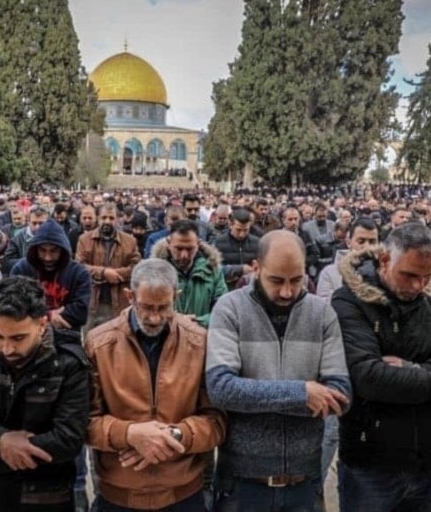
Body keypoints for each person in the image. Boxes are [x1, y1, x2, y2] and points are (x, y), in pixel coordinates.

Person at [331, 223, 431, 512]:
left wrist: (411, 368)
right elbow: (369, 377)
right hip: (371, 462)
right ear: (385, 260)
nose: (417, 286)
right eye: (409, 275)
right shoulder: (350, 299)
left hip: (429, 458)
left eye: (427, 276)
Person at [206, 230, 351, 511]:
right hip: (242, 482)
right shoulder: (229, 309)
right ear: (256, 267)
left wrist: (256, 395)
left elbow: (341, 396)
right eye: (276, 280)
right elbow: (221, 389)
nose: (286, 291)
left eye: (296, 280)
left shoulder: (322, 314)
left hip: (305, 481)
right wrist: (303, 393)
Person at [86, 259, 226, 511]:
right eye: (146, 307)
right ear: (129, 296)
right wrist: (131, 435)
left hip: (183, 493)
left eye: (164, 307)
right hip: (118, 494)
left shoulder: (199, 343)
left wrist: (172, 436)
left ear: (177, 296)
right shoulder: (99, 344)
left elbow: (217, 421)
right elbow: (83, 423)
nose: (154, 317)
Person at [0, 276, 90, 512]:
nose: (6, 348)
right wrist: (0, 441)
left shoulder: (68, 364)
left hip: (45, 497)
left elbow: (68, 439)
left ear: (42, 323)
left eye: (18, 338)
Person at [11, 219, 92, 332]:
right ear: (35, 249)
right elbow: (14, 305)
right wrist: (48, 315)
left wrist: (34, 314)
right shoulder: (21, 269)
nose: (47, 257)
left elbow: (81, 312)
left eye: (54, 251)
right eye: (42, 251)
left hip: (66, 335)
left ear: (63, 250)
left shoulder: (79, 272)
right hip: (28, 334)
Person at [151, 219, 227, 327]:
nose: (184, 255)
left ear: (198, 244)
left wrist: (197, 321)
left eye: (190, 249)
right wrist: (173, 320)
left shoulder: (213, 271)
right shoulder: (154, 272)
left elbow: (224, 311)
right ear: (169, 243)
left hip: (203, 338)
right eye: (179, 248)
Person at [76, 204, 141, 329]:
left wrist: (116, 274)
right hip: (92, 301)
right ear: (98, 218)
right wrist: (103, 272)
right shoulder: (84, 240)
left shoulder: (130, 241)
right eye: (104, 217)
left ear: (117, 219)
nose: (107, 221)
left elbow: (137, 267)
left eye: (111, 218)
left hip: (119, 302)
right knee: (89, 340)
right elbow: (79, 266)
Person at [315, 218, 379, 301]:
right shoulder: (329, 274)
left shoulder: (385, 273)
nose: (367, 247)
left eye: (372, 242)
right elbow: (326, 308)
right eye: (361, 241)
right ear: (349, 243)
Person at [213, 208, 260, 291]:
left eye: (246, 230)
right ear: (231, 225)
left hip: (250, 289)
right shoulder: (219, 242)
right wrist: (238, 269)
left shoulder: (257, 242)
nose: (242, 234)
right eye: (238, 230)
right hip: (226, 289)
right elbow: (213, 268)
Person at [2, 207, 49, 274]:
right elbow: (7, 263)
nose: (37, 227)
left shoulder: (56, 238)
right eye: (34, 223)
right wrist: (28, 261)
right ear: (28, 222)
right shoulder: (17, 240)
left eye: (41, 223)